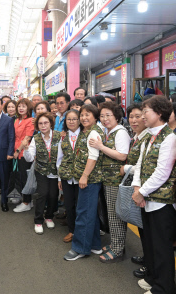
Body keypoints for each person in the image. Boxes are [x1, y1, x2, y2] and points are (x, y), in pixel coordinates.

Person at [131, 96, 176, 294]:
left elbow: (163, 172)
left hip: (162, 202)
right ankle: (152, 278)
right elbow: (140, 165)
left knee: (161, 247)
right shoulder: (148, 136)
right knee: (149, 243)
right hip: (146, 199)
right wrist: (136, 189)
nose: (142, 116)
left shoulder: (170, 138)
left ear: (159, 113)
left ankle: (164, 288)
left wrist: (141, 191)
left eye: (146, 112)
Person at [89, 102, 130, 263]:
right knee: (112, 214)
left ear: (117, 116)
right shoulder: (109, 131)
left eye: (108, 115)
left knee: (115, 216)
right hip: (108, 179)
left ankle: (118, 249)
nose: (105, 119)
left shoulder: (120, 132)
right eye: (102, 116)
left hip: (115, 180)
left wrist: (100, 146)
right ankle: (115, 244)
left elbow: (122, 155)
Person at [63, 105, 105, 261]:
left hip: (90, 179)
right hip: (89, 179)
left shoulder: (93, 133)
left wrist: (85, 176)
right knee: (89, 213)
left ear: (95, 117)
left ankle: (80, 248)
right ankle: (94, 244)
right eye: (82, 115)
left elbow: (93, 156)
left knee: (83, 214)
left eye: (88, 115)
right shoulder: (87, 131)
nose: (84, 118)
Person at [121, 103, 149, 278]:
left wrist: (126, 169)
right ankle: (147, 258)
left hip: (146, 190)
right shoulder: (136, 136)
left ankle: (150, 265)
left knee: (148, 231)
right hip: (137, 188)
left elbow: (143, 165)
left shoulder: (148, 137)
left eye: (138, 116)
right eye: (131, 117)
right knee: (142, 227)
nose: (134, 120)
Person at [22, 112, 61, 234]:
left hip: (56, 172)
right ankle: (38, 220)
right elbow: (29, 158)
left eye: (46, 123)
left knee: (53, 195)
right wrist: (26, 148)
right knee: (42, 193)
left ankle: (49, 216)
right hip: (41, 171)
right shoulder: (36, 138)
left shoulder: (59, 136)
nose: (43, 126)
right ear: (37, 126)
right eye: (40, 123)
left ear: (51, 123)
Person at [56, 109, 83, 243]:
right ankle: (72, 231)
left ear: (79, 121)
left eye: (74, 119)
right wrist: (60, 178)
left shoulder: (85, 135)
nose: (71, 121)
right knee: (69, 205)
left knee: (81, 205)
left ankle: (81, 231)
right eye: (69, 119)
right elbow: (59, 159)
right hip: (67, 177)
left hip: (81, 177)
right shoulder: (63, 137)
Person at [12, 98, 35, 213]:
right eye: (19, 106)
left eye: (24, 106)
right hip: (16, 152)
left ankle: (26, 202)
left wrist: (17, 151)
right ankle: (26, 200)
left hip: (23, 152)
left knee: (25, 178)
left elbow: (27, 138)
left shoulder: (30, 120)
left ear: (28, 108)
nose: (21, 108)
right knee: (19, 177)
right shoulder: (17, 120)